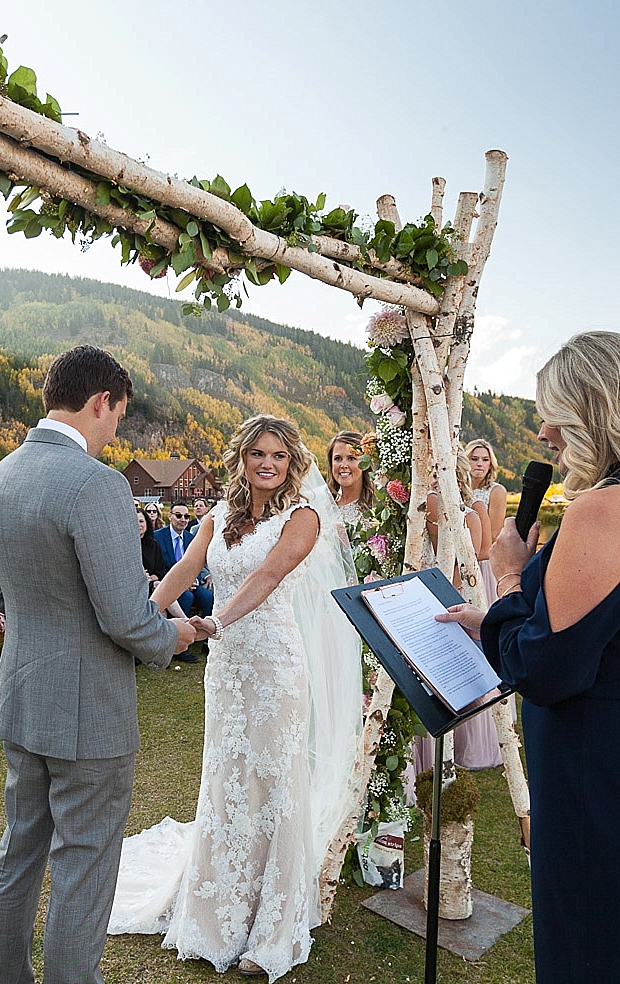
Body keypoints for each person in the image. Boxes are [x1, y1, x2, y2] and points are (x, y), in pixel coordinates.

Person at [437, 331, 620, 984]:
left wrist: (510, 577)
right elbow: (591, 641)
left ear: (597, 409)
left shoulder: (607, 506)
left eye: (554, 412)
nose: (542, 430)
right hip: (613, 778)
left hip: (608, 793)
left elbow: (546, 671)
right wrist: (494, 620)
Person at [110, 414, 363, 981]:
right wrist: (139, 619)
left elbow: (268, 577)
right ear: (242, 460)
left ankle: (272, 925)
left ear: (291, 461)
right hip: (226, 670)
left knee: (273, 783)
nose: (266, 464)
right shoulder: (217, 515)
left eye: (277, 455)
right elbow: (182, 570)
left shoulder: (304, 519)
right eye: (257, 455)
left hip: (274, 665)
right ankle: (217, 912)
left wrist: (214, 622)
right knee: (227, 779)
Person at [0, 345, 195, 984]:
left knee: (20, 853)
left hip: (21, 700)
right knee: (85, 863)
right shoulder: (97, 484)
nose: (113, 434)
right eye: (117, 419)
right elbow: (127, 617)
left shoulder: (1, 475)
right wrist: (170, 638)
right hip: (87, 714)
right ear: (102, 402)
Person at [153, 503, 214, 626]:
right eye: (178, 515)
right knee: (186, 597)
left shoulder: (190, 538)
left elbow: (196, 562)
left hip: (191, 582)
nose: (183, 519)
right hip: (169, 582)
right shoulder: (158, 537)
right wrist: (180, 582)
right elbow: (159, 566)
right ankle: (181, 632)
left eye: (186, 516)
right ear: (170, 516)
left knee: (208, 598)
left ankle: (206, 637)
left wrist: (194, 579)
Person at [462, 438, 508, 601]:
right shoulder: (458, 489)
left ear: (491, 464)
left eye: (485, 459)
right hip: (459, 559)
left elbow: (495, 535)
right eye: (474, 459)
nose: (479, 464)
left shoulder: (496, 491)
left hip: (483, 560)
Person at [325, 430, 372, 526]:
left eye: (351, 458)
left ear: (365, 463)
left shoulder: (376, 508)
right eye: (338, 459)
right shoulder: (325, 509)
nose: (343, 465)